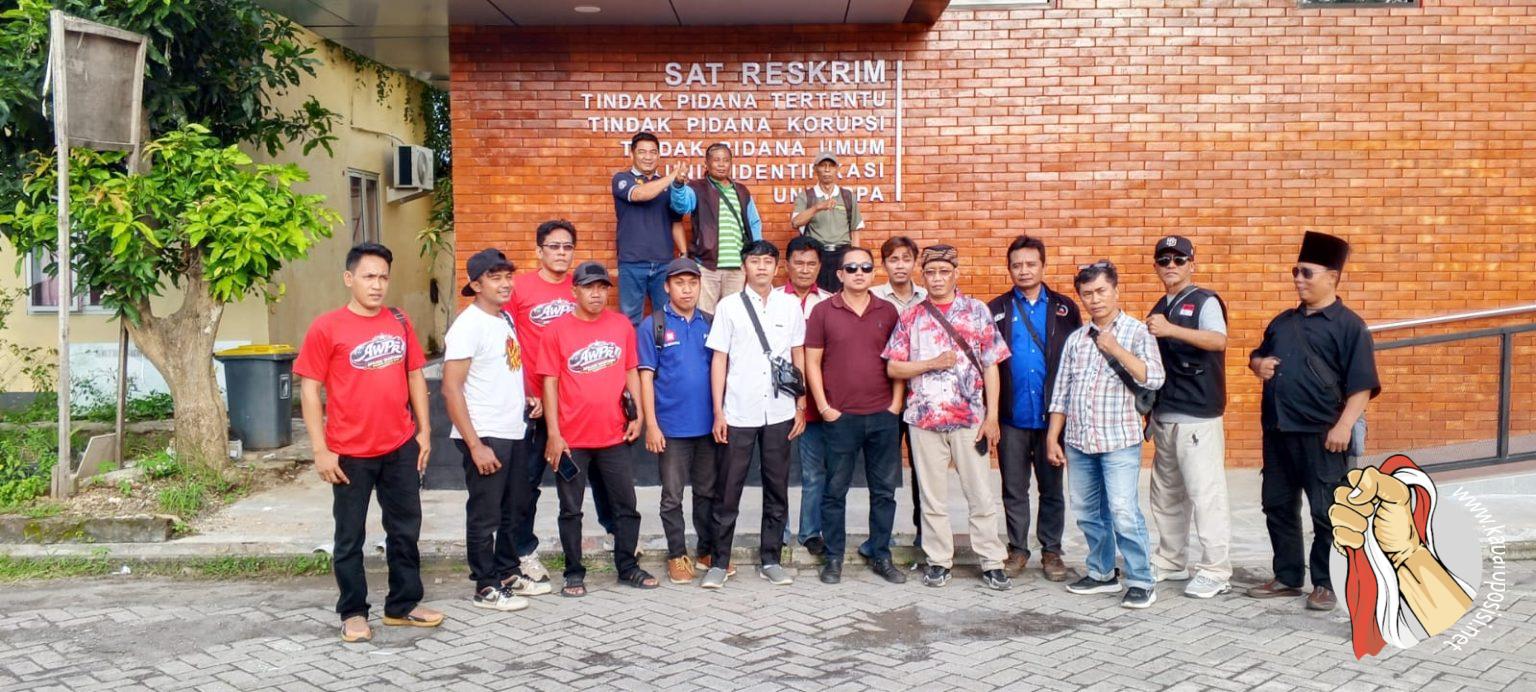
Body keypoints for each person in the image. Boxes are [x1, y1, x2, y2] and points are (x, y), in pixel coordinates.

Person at [295, 242, 443, 643]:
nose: (377, 285)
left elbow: (415, 374)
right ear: (349, 279)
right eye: (368, 277)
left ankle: (402, 605)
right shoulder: (327, 327)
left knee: (405, 529)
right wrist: (320, 449)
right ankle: (353, 612)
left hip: (399, 445)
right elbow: (309, 390)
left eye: (383, 277)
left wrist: (424, 431)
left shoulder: (399, 321)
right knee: (349, 537)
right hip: (349, 453)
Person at [1246, 231, 1380, 612]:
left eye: (1307, 272)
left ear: (1332, 277)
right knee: (1277, 506)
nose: (1298, 279)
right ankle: (1288, 577)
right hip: (1279, 432)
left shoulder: (1350, 326)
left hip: (1323, 436)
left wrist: (1344, 426)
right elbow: (1257, 355)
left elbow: (1362, 385)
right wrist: (1258, 364)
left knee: (1326, 513)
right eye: (1296, 272)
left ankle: (1326, 583)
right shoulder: (1282, 322)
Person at [882, 244, 1012, 592]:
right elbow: (893, 367)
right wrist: (931, 363)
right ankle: (939, 560)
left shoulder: (976, 311)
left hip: (970, 419)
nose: (937, 278)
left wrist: (992, 416)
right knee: (932, 497)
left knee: (980, 493)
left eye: (944, 272)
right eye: (931, 272)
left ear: (956, 274)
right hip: (924, 419)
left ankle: (992, 561)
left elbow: (991, 364)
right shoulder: (911, 316)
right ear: (923, 276)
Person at [1046, 260, 1165, 609]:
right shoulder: (1076, 339)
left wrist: (1115, 349)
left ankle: (1141, 579)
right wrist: (1053, 437)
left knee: (1123, 511)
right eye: (1087, 294)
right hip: (1079, 441)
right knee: (1087, 511)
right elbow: (1061, 392)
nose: (1095, 299)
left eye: (1101, 291)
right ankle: (1101, 573)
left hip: (1119, 441)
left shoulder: (1137, 332)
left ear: (1115, 290)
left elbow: (1154, 377)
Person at [507, 220, 618, 588]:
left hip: (577, 407)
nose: (560, 253)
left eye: (567, 247)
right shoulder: (520, 288)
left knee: (601, 476)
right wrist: (524, 391)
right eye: (553, 246)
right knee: (527, 481)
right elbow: (507, 341)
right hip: (534, 403)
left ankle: (616, 533)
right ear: (539, 250)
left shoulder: (582, 287)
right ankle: (523, 552)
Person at [537, 261, 657, 597]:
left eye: (602, 287)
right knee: (571, 510)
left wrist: (638, 415)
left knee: (625, 504)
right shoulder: (556, 331)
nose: (596, 293)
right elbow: (550, 383)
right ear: (574, 290)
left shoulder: (621, 325)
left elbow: (631, 370)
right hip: (571, 439)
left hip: (614, 435)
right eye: (589, 287)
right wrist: (553, 433)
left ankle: (627, 566)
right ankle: (574, 573)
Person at [441, 248, 549, 613]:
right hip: (485, 434)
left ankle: (506, 572)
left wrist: (526, 397)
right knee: (485, 514)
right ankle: (485, 585)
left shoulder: (504, 319)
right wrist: (475, 445)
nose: (505, 284)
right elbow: (451, 389)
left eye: (508, 276)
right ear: (475, 285)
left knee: (512, 509)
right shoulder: (468, 325)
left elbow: (502, 371)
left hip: (513, 429)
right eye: (494, 277)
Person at [700, 240, 806, 589]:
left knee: (777, 488)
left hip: (779, 410)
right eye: (755, 261)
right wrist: (718, 411)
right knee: (727, 490)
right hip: (738, 411)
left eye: (768, 261)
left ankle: (771, 559)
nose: (761, 267)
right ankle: (719, 562)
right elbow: (719, 359)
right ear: (744, 266)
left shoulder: (790, 306)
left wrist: (801, 404)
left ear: (777, 267)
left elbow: (797, 354)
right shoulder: (728, 306)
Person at [805, 246, 906, 585]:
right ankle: (834, 557)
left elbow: (898, 360)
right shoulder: (823, 311)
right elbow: (812, 363)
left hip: (883, 416)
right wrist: (824, 407)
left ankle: (880, 554)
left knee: (884, 492)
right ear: (840, 274)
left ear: (873, 272)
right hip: (840, 417)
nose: (859, 273)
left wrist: (896, 404)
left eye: (865, 267)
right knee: (835, 491)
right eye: (851, 268)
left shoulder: (888, 311)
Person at [1144, 236, 1235, 599]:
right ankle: (1171, 560)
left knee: (1204, 493)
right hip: (1166, 413)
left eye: (1179, 259)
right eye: (1164, 260)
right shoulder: (1159, 306)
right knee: (1166, 494)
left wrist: (1171, 329)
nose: (1171, 265)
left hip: (1198, 414)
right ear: (1156, 266)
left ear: (1192, 264)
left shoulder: (1204, 301)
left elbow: (1218, 340)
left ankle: (1216, 569)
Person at [987, 235, 1080, 583]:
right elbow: (987, 363)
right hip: (1011, 415)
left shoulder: (1064, 308)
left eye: (1030, 264)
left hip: (1052, 417)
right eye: (1017, 265)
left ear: (1043, 266)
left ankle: (1051, 550)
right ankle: (1018, 549)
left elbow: (1074, 359)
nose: (1024, 270)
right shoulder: (996, 309)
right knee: (1014, 488)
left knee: (1051, 488)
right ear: (1009, 268)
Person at [637, 258, 720, 584]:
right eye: (679, 283)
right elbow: (646, 378)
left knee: (707, 492)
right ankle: (676, 554)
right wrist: (652, 425)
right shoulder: (653, 325)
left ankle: (706, 551)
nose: (687, 290)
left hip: (708, 427)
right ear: (667, 287)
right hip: (671, 429)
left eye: (692, 283)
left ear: (700, 286)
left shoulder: (710, 322)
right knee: (672, 496)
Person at [870, 236, 927, 554]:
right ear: (884, 264)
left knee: (923, 470)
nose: (900, 265)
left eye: (906, 258)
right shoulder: (872, 297)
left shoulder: (928, 298)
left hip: (922, 397)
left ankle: (924, 532)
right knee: (884, 472)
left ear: (915, 262)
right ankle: (882, 534)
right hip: (883, 397)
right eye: (893, 259)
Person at [782, 235, 832, 557]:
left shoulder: (830, 302)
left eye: (811, 263)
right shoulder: (771, 299)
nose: (804, 269)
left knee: (814, 471)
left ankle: (810, 531)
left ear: (819, 266)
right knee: (778, 472)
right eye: (798, 263)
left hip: (815, 402)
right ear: (787, 265)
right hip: (776, 401)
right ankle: (778, 531)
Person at [669, 143, 763, 311]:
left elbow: (754, 223)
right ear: (707, 163)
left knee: (734, 316)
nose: (721, 164)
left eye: (726, 160)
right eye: (716, 160)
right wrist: (678, 184)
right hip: (707, 266)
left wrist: (755, 255)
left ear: (731, 164)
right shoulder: (696, 188)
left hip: (737, 267)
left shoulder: (742, 191)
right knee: (705, 315)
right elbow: (681, 206)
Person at [613, 131, 685, 326]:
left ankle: (660, 348)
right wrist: (672, 177)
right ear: (632, 154)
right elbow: (640, 194)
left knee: (665, 319)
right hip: (632, 262)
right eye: (642, 152)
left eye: (653, 152)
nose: (648, 157)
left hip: (664, 263)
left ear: (658, 155)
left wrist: (684, 253)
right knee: (630, 320)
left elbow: (676, 222)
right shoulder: (622, 179)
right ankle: (633, 349)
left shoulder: (667, 186)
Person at [790, 151, 864, 292]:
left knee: (844, 295)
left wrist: (855, 259)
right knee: (816, 294)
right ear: (815, 169)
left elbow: (855, 230)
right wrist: (817, 207)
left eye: (831, 166)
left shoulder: (847, 196)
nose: (827, 170)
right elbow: (795, 222)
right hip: (816, 255)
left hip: (843, 254)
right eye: (823, 165)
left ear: (837, 169)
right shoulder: (806, 196)